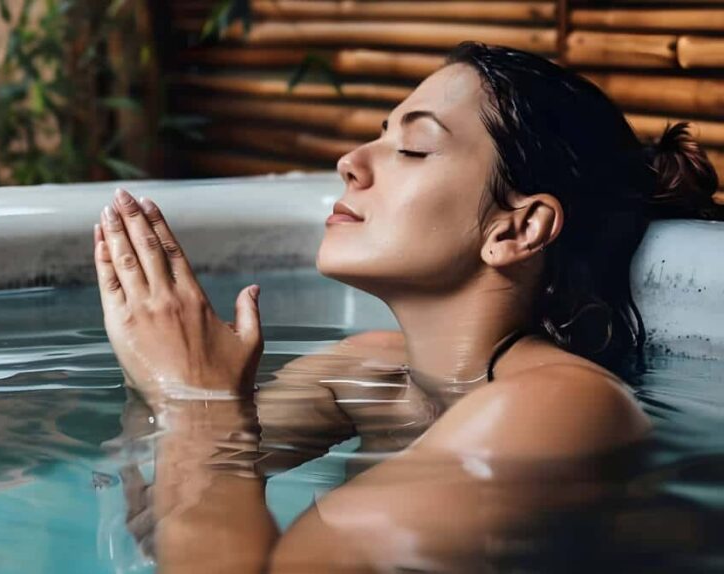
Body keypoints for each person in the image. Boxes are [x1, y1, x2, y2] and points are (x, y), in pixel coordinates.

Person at [92, 41, 722, 573]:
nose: (350, 163)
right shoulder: (362, 373)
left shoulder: (564, 404)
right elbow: (156, 499)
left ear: (517, 230)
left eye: (413, 149)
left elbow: (200, 483)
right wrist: (159, 363)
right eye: (379, 135)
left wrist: (201, 397)